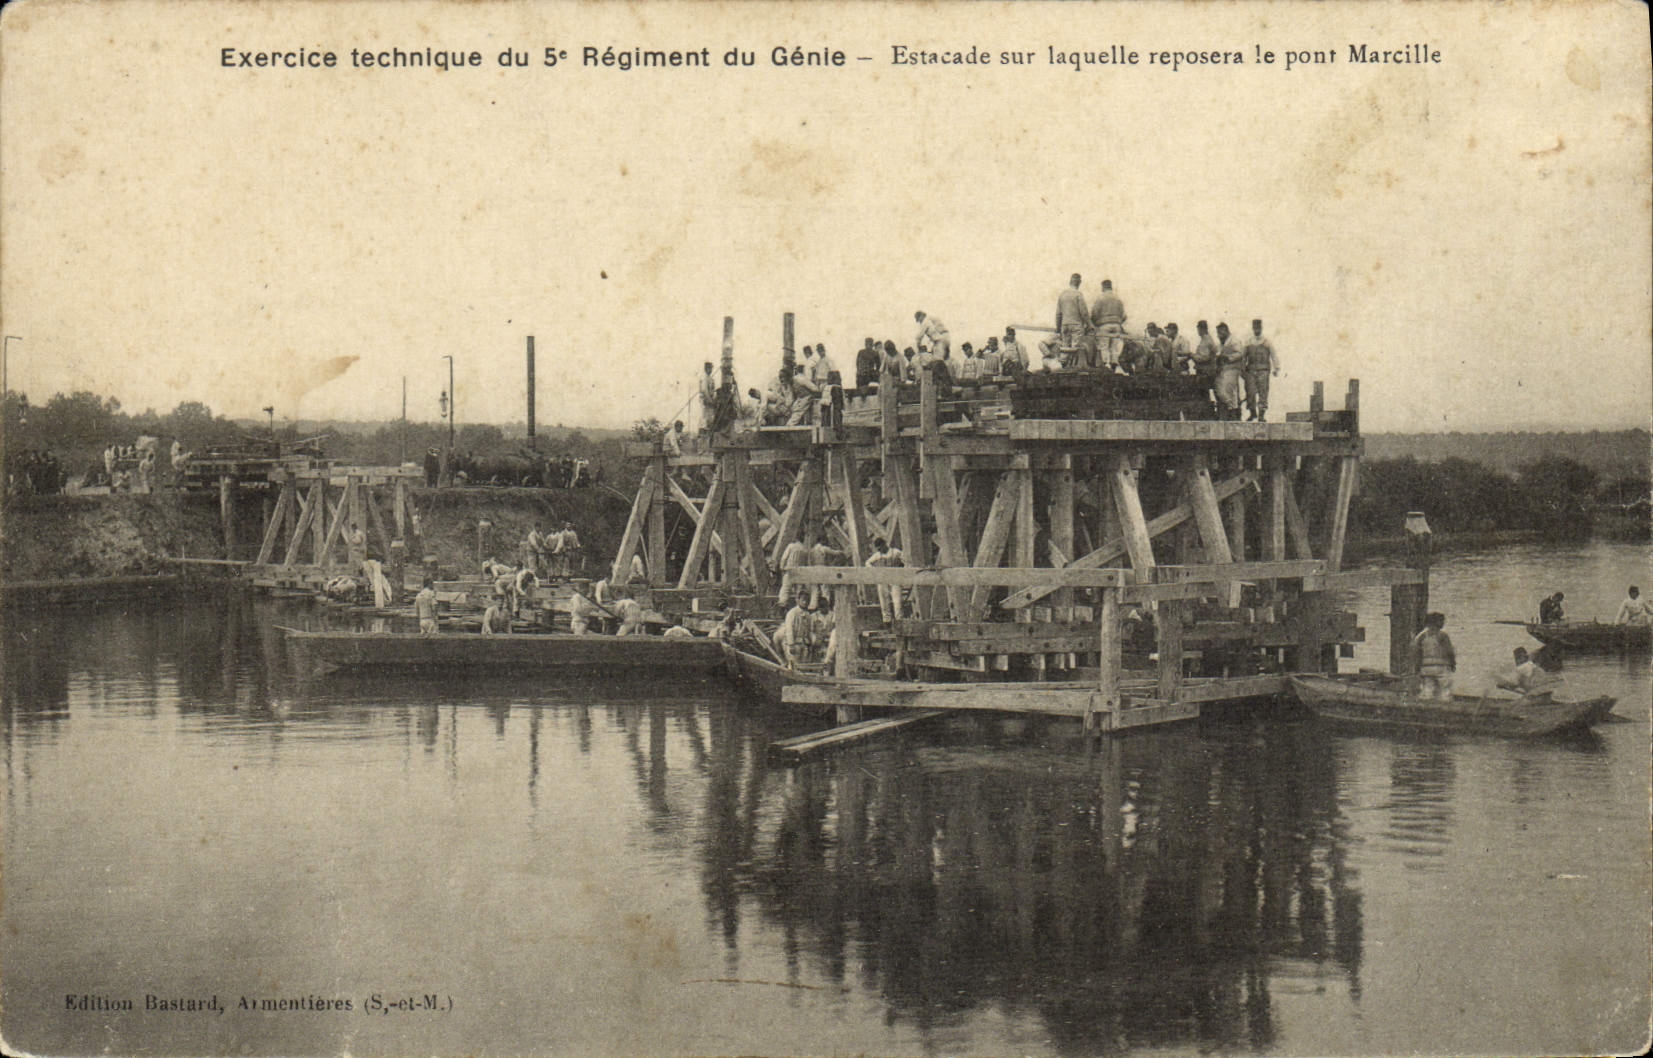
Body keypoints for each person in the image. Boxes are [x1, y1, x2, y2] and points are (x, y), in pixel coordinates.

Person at [1242, 318, 1281, 421]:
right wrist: (1242, 370)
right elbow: (1243, 357)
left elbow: (1274, 355)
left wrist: (1276, 368)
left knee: (1263, 392)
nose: (1257, 329)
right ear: (1252, 328)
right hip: (1250, 371)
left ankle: (1261, 415)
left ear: (1261, 328)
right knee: (1250, 392)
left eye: (1258, 327)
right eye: (1255, 327)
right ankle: (1252, 413)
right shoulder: (1248, 342)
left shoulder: (1267, 342)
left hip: (1263, 371)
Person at [1412, 612, 1456, 700]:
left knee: (1428, 688)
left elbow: (1416, 652)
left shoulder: (1421, 636)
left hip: (1426, 667)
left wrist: (1417, 666)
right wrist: (1453, 663)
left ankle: (1427, 705)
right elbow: (1449, 651)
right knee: (1445, 688)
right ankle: (1445, 704)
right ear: (1437, 623)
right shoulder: (1442, 635)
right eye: (1442, 621)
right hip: (1441, 666)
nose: (1443, 623)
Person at [866, 536, 905, 624]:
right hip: (882, 580)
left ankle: (899, 622)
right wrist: (875, 571)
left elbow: (905, 560)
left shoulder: (895, 552)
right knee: (884, 603)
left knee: (897, 602)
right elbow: (867, 563)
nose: (880, 550)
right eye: (878, 549)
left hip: (895, 579)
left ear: (884, 544)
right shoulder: (877, 555)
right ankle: (887, 622)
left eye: (881, 548)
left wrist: (902, 570)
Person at [1089, 279, 1126, 369]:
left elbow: (1094, 313)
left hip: (1104, 325)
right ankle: (1114, 364)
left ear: (1103, 287)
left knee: (1103, 346)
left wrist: (1094, 324)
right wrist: (1118, 322)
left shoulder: (1100, 298)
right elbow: (1124, 316)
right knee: (1114, 346)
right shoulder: (1118, 299)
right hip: (1117, 325)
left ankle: (1105, 364)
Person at [1055, 273, 1091, 365]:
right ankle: (1074, 368)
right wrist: (1089, 325)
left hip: (1065, 325)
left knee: (1065, 347)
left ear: (1070, 282)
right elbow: (1084, 313)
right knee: (1076, 348)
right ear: (1079, 283)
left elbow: (1058, 314)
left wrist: (1058, 327)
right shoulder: (1078, 294)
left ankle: (1062, 367)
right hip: (1076, 325)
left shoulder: (1062, 295)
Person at [1214, 322, 1246, 419]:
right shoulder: (1221, 344)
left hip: (1232, 369)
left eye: (1220, 332)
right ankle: (1229, 409)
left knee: (1229, 390)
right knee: (1220, 390)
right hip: (1223, 370)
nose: (1218, 335)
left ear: (1226, 330)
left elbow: (1240, 353)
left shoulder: (1234, 341)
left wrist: (1228, 357)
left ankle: (1233, 412)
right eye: (1218, 332)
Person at [775, 592, 815, 668]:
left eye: (807, 600)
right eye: (803, 600)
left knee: (804, 666)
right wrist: (791, 645)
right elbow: (789, 630)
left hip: (804, 644)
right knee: (793, 666)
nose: (805, 602)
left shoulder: (808, 615)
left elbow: (810, 631)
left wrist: (810, 643)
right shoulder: (792, 613)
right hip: (795, 644)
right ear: (797, 600)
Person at [698, 361, 717, 433]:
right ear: (706, 368)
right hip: (705, 400)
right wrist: (709, 400)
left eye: (711, 368)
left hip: (710, 399)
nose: (711, 370)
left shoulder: (710, 378)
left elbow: (713, 390)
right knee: (704, 415)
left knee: (710, 416)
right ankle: (704, 428)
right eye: (709, 368)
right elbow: (704, 390)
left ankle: (708, 427)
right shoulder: (704, 377)